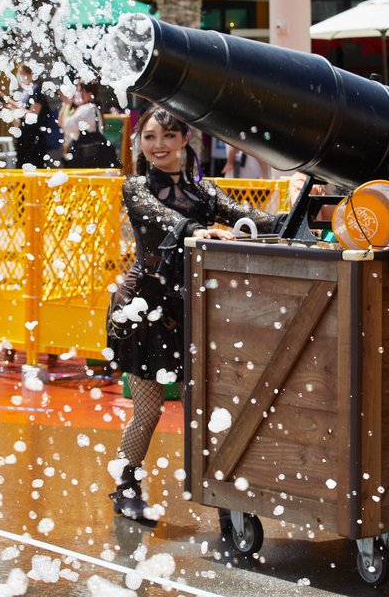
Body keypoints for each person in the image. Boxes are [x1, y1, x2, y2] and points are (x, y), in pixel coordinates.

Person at [106, 106, 286, 525]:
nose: (158, 146)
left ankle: (221, 492)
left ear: (185, 140)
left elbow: (249, 217)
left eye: (168, 137)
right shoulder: (135, 187)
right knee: (148, 410)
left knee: (202, 405)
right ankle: (126, 484)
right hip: (145, 308)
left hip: (193, 308)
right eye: (149, 137)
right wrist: (194, 230)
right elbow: (159, 219)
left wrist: (297, 212)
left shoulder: (203, 191)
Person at [59, 79, 119, 168]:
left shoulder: (89, 108)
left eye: (80, 90)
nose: (76, 93)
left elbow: (66, 124)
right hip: (85, 154)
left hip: (90, 155)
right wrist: (66, 105)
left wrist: (67, 104)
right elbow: (61, 122)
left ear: (90, 94)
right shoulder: (80, 108)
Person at [6, 64, 54, 168]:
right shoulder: (25, 92)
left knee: (34, 166)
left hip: (34, 138)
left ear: (31, 74)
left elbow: (33, 115)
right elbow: (20, 120)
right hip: (25, 138)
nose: (19, 76)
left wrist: (14, 105)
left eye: (22, 73)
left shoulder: (36, 90)